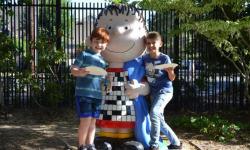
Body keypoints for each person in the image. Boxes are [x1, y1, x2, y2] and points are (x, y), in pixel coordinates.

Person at [71, 27, 110, 150]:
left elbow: (104, 79)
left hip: (98, 96)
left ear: (106, 44)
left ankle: (90, 144)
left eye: (102, 42)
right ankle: (82, 146)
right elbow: (73, 70)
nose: (99, 44)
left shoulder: (104, 61)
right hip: (84, 94)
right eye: (96, 41)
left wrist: (107, 84)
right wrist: (80, 72)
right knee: (86, 120)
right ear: (91, 41)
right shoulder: (84, 54)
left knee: (93, 121)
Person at [142, 31, 182, 150]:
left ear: (160, 44)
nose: (151, 46)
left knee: (154, 113)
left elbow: (172, 78)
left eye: (154, 43)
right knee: (159, 118)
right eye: (148, 43)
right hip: (154, 93)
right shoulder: (145, 58)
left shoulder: (165, 58)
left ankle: (154, 145)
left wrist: (170, 71)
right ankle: (176, 143)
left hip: (165, 91)